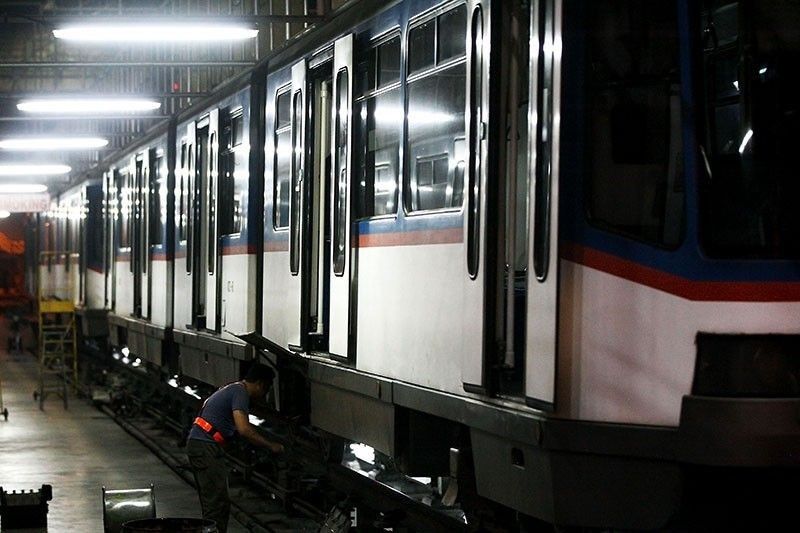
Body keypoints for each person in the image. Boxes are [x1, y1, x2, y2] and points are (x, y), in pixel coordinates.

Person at [186, 364, 284, 532]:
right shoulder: (241, 393)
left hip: (203, 445)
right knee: (216, 504)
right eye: (266, 390)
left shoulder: (233, 388)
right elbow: (244, 429)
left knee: (216, 501)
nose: (264, 395)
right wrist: (271, 445)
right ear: (260, 384)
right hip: (205, 447)